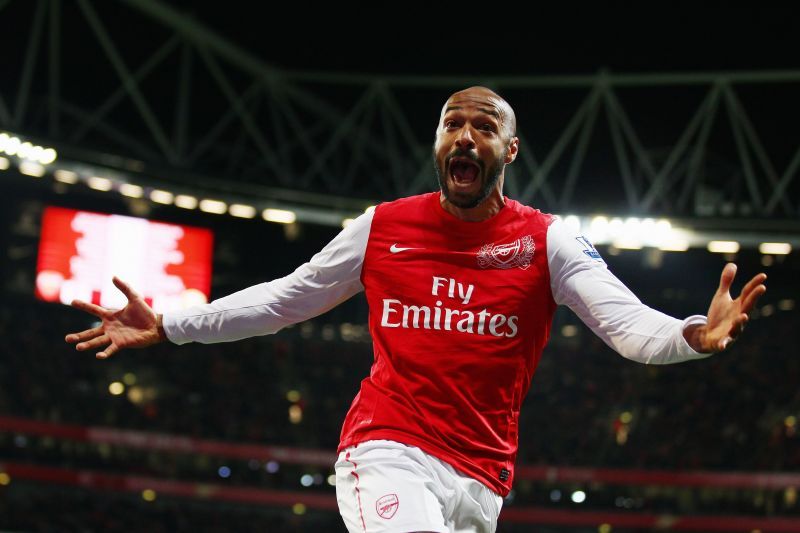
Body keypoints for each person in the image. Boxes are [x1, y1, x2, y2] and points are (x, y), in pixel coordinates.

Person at [65, 86, 767, 533]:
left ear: (509, 150)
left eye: (483, 126)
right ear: (437, 144)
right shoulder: (383, 227)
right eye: (451, 124)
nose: (465, 136)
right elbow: (285, 298)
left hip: (484, 479)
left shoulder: (546, 241)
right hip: (387, 447)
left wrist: (693, 334)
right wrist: (172, 323)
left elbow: (625, 323)